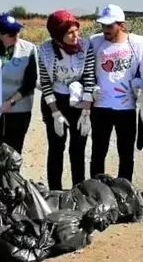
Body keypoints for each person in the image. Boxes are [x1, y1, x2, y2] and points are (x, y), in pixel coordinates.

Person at [35, 10, 97, 190]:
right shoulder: (45, 50)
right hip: (55, 101)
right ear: (57, 35)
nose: (75, 35)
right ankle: (55, 191)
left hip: (79, 102)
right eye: (70, 32)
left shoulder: (86, 47)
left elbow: (89, 77)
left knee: (78, 150)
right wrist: (55, 113)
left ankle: (79, 190)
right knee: (56, 149)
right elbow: (45, 83)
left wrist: (86, 111)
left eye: (76, 30)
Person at [88, 4, 143, 181]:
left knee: (126, 153)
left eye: (110, 26)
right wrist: (91, 88)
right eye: (103, 25)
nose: (105, 29)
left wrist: (139, 87)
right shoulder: (95, 41)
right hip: (101, 106)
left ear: (121, 25)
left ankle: (124, 190)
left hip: (126, 107)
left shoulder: (136, 42)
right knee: (98, 151)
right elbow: (88, 67)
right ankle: (96, 188)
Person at [0, 13, 37, 157]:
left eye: (17, 31)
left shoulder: (29, 49)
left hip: (19, 111)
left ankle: (12, 180)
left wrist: (11, 102)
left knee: (14, 153)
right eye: (11, 34)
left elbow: (30, 83)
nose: (15, 35)